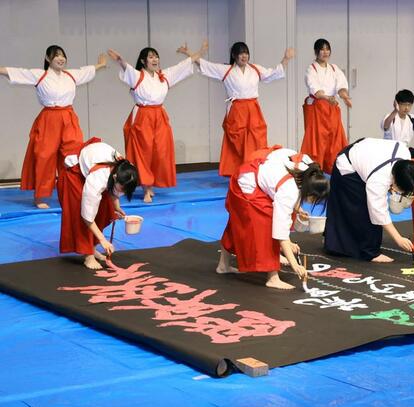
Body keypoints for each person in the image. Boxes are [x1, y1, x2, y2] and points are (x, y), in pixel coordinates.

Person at [0, 46, 107, 208]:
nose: (60, 58)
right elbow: (16, 72)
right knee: (45, 157)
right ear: (48, 58)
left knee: (72, 157)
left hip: (69, 118)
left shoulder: (71, 75)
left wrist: (100, 65)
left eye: (62, 55)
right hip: (49, 119)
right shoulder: (40, 75)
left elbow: (86, 71)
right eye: (56, 56)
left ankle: (71, 193)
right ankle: (41, 196)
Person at [107, 41, 207, 203]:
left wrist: (199, 52)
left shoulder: (164, 75)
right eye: (151, 57)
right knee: (143, 153)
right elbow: (127, 68)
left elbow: (183, 65)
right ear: (143, 61)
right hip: (143, 117)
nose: (155, 60)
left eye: (156, 57)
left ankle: (152, 183)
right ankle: (146, 188)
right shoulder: (138, 76)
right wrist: (120, 60)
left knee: (160, 152)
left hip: (160, 116)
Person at [217, 145, 329, 289]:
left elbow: (284, 191)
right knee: (267, 224)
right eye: (314, 200)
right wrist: (295, 265)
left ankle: (223, 265)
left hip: (255, 172)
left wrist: (297, 208)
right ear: (309, 192)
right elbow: (280, 232)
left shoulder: (308, 168)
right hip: (247, 183)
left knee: (237, 222)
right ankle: (272, 278)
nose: (312, 203)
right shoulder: (289, 191)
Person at [199, 42, 294, 176]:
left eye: (246, 53)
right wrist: (192, 54)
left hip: (253, 109)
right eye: (240, 53)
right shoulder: (227, 70)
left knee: (257, 138)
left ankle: (255, 169)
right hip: (237, 110)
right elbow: (206, 66)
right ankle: (237, 171)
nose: (244, 56)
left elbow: (273, 73)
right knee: (238, 141)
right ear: (234, 55)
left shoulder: (255, 69)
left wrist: (286, 59)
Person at [324, 137, 414, 263]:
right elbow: (378, 211)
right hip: (347, 167)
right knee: (364, 211)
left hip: (362, 155)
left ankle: (336, 241)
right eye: (399, 190)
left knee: (363, 209)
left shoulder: (405, 160)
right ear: (395, 181)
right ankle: (369, 252)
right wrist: (398, 238)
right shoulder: (379, 180)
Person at [58, 137, 139, 270]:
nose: (123, 192)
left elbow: (116, 189)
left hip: (91, 166)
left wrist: (117, 206)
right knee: (80, 214)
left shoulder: (126, 169)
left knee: (104, 210)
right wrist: (103, 240)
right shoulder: (98, 178)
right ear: (115, 177)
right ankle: (88, 256)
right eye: (122, 189)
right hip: (74, 174)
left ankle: (92, 247)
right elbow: (87, 217)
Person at [300, 38, 351, 173]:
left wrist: (345, 96)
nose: (325, 52)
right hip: (318, 109)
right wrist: (327, 98)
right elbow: (316, 91)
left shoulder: (334, 68)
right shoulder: (311, 69)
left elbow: (341, 86)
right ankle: (315, 173)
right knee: (318, 142)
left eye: (327, 49)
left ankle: (333, 172)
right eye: (322, 49)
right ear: (316, 52)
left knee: (334, 141)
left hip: (332, 109)